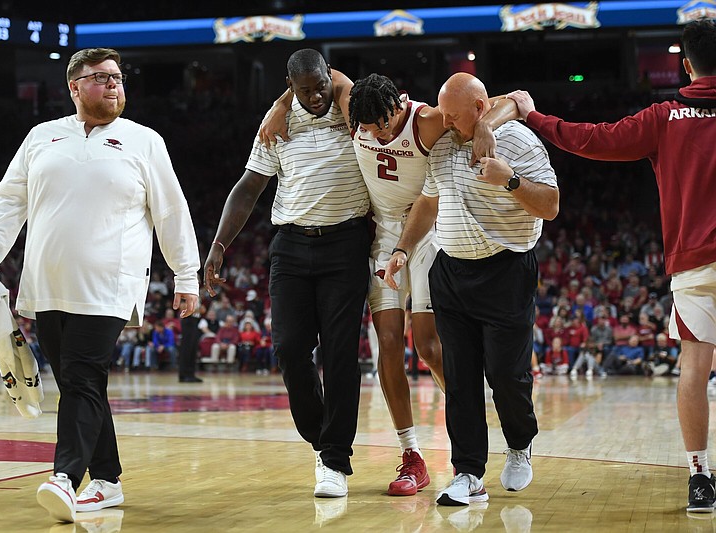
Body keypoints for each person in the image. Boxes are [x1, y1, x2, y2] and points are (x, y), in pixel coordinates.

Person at [260, 71, 517, 496]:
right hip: (383, 240)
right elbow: (324, 73)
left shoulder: (429, 121)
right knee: (389, 347)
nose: (379, 131)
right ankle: (411, 455)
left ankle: (474, 429)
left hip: (429, 234)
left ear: (400, 101)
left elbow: (516, 98)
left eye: (385, 122)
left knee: (430, 346)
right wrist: (281, 103)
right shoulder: (357, 110)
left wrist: (487, 123)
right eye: (369, 127)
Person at [0, 47, 200, 523]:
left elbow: (172, 213)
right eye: (100, 78)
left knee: (80, 375)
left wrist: (186, 275)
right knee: (82, 382)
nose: (114, 84)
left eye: (117, 77)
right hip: (46, 283)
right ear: (74, 87)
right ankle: (108, 480)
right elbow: (10, 200)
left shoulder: (145, 142)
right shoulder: (41, 137)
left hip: (111, 285)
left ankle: (64, 477)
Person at [507, 18, 716, 513]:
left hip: (695, 264)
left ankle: (700, 478)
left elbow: (591, 139)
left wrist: (534, 117)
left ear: (685, 66)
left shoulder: (666, 117)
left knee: (693, 370)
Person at [384, 72, 559, 507]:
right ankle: (468, 473)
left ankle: (520, 445)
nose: (447, 123)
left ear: (481, 110)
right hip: (451, 272)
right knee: (459, 379)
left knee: (507, 376)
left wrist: (511, 181)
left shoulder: (518, 141)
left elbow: (552, 205)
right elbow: (427, 200)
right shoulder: (443, 141)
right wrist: (403, 248)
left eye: (456, 116)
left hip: (507, 271)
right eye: (444, 114)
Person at [204, 48, 370, 499]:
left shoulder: (348, 109)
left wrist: (324, 90)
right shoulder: (276, 123)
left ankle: (335, 457)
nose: (315, 96)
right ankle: (321, 440)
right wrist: (219, 244)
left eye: (321, 86)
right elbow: (249, 186)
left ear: (329, 77)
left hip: (346, 243)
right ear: (290, 86)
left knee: (339, 354)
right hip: (292, 247)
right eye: (303, 90)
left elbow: (343, 86)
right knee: (290, 350)